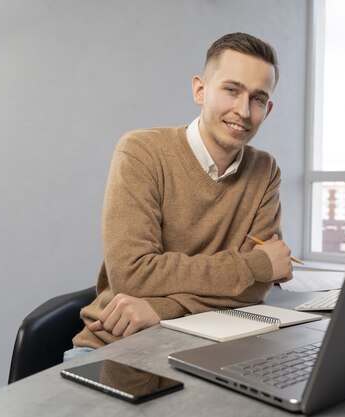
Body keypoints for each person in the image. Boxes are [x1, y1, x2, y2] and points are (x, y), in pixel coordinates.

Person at [69, 32, 293, 356]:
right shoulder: (141, 152)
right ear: (200, 90)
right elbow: (132, 276)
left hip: (210, 349)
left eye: (257, 99)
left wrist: (160, 308)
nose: (243, 111)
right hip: (117, 345)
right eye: (231, 90)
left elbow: (256, 290)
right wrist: (253, 266)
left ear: (267, 109)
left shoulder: (265, 170)